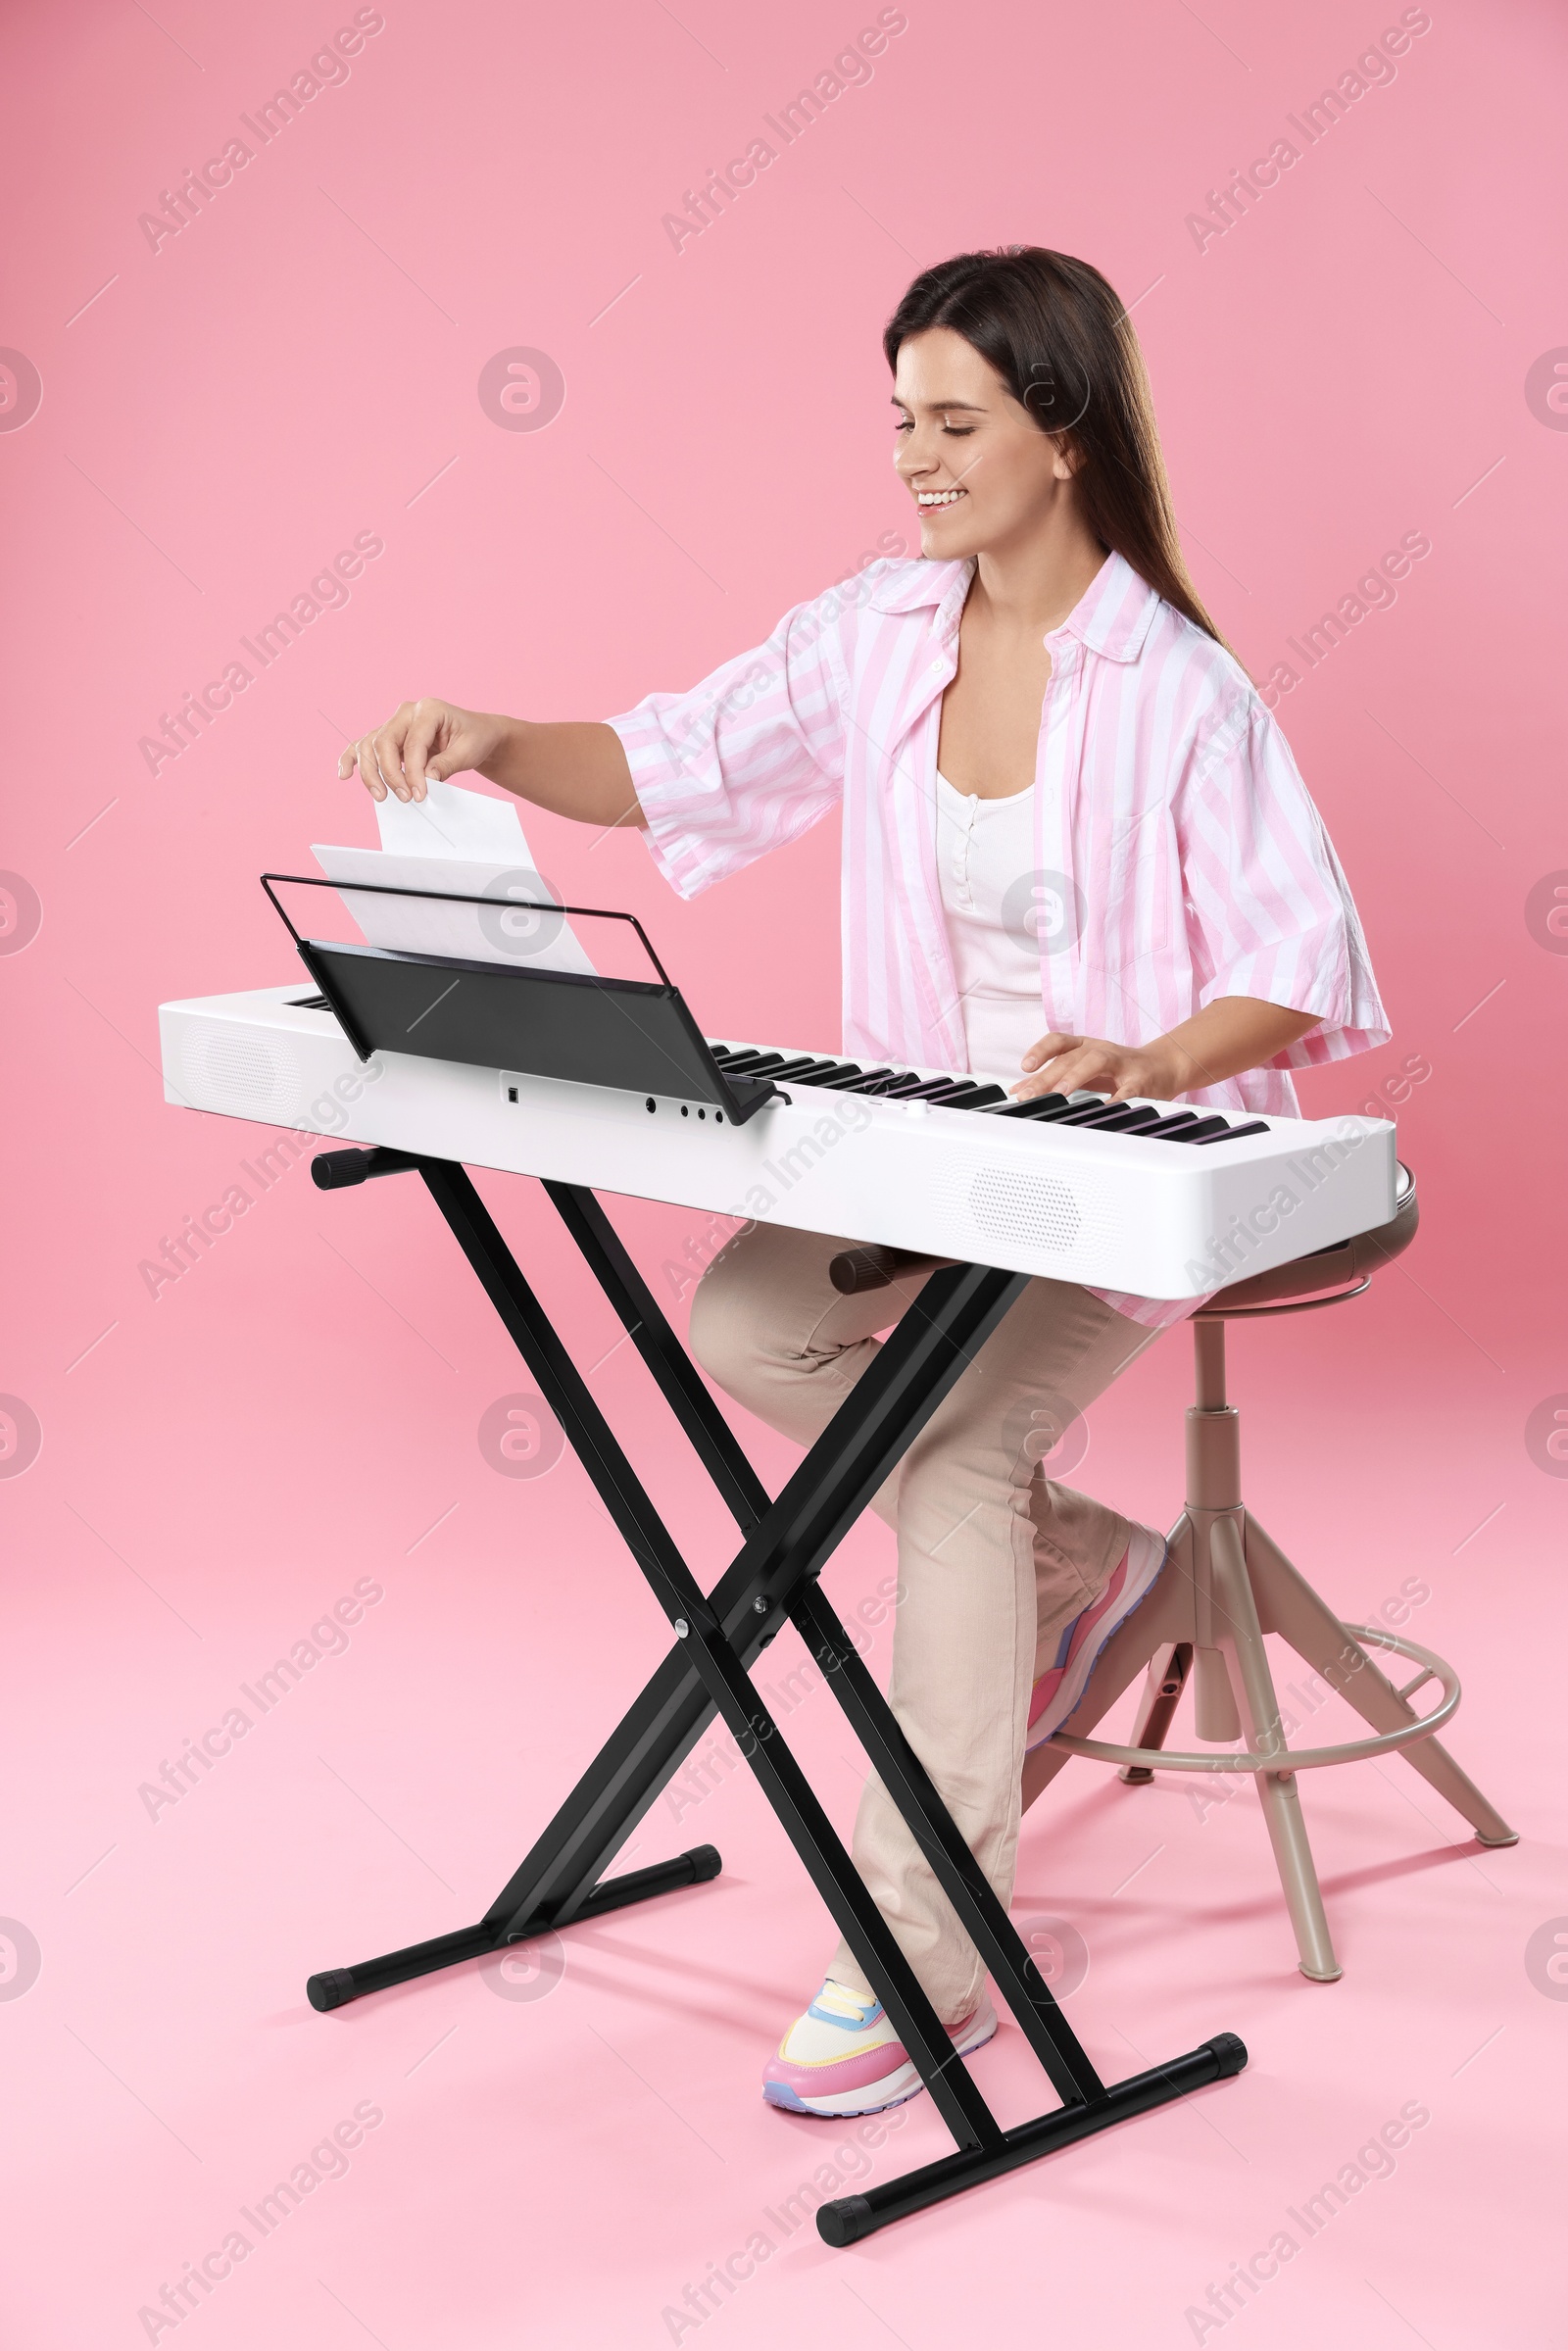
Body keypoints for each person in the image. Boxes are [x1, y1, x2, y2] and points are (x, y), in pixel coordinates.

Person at [340, 246, 1390, 2121]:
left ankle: (927, 1941)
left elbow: (1300, 956)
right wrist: (492, 735)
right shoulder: (878, 633)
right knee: (745, 1317)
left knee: (957, 1450)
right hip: (923, 1156)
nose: (913, 456)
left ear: (1062, 437)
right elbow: (667, 760)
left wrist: (1152, 1057)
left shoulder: (1181, 687)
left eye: (955, 420)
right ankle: (1084, 1578)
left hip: (1102, 1170)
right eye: (899, 418)